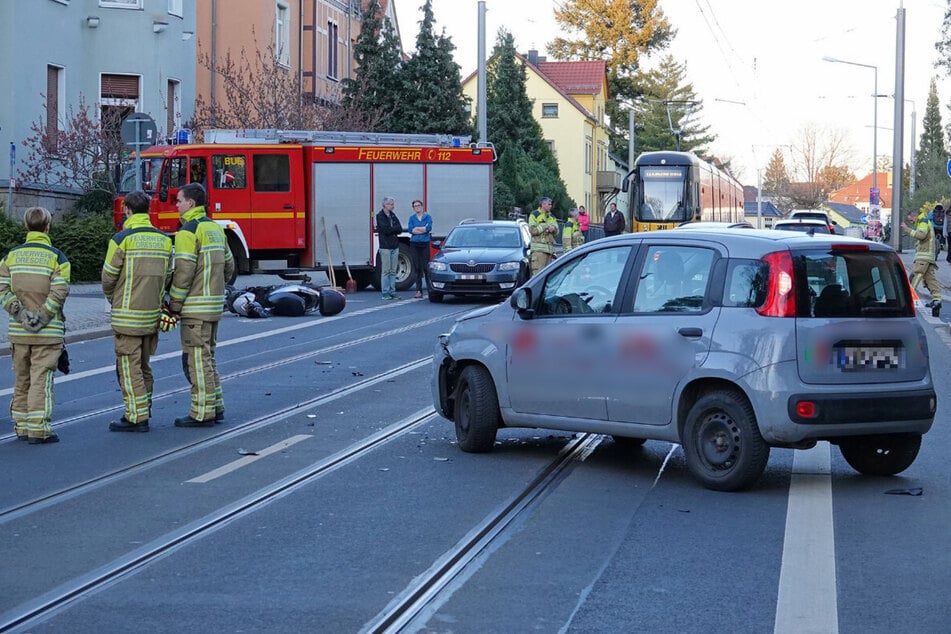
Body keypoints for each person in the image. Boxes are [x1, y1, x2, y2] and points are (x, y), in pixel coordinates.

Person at [102, 190, 174, 432]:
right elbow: (168, 277)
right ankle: (145, 408)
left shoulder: (121, 238)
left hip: (126, 316)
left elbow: (108, 277)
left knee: (128, 367)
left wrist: (114, 299)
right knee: (144, 366)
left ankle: (136, 416)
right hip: (152, 316)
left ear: (127, 210)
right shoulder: (165, 240)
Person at [0, 206, 70, 444]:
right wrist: (40, 317)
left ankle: (21, 427)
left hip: (19, 333)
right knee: (41, 379)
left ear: (26, 226)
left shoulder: (11, 256)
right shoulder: (57, 257)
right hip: (47, 333)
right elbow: (60, 291)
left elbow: (2, 289)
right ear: (47, 226)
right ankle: (39, 430)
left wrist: (21, 315)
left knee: (22, 379)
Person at [168, 183, 235, 427]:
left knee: (197, 360)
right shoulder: (215, 229)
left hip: (195, 308)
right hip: (214, 305)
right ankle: (216, 405)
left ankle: (202, 412)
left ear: (191, 203)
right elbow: (229, 266)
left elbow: (183, 272)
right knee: (208, 358)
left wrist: (174, 304)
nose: (176, 205)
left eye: (179, 200)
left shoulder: (188, 231)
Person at [903, 208, 941, 317]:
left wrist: (907, 229)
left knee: (915, 276)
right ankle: (937, 300)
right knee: (930, 280)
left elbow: (921, 235)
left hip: (924, 256)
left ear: (914, 216)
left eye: (911, 220)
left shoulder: (923, 222)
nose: (911, 222)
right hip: (928, 256)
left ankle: (907, 300)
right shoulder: (923, 222)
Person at [375, 196, 403, 300]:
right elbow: (385, 230)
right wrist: (393, 229)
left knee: (393, 270)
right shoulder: (380, 216)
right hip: (385, 246)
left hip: (394, 245)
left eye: (392, 204)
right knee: (386, 270)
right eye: (391, 204)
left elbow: (399, 229)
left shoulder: (393, 215)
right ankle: (385, 292)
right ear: (385, 205)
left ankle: (393, 291)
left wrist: (392, 229)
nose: (393, 206)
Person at [407, 199, 432, 298]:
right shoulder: (412, 218)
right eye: (415, 206)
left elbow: (428, 228)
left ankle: (430, 289)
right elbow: (411, 230)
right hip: (414, 244)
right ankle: (418, 290)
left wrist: (418, 229)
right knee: (417, 267)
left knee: (426, 267)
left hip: (424, 244)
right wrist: (422, 229)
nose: (417, 207)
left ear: (422, 206)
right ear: (413, 208)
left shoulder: (427, 217)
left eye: (418, 205)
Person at [528, 196, 559, 274]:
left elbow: (557, 232)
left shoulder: (552, 217)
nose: (550, 206)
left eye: (550, 204)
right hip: (538, 252)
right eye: (549, 204)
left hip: (549, 251)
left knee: (547, 276)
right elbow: (533, 230)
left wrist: (553, 229)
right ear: (543, 204)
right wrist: (545, 226)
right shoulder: (534, 214)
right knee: (538, 275)